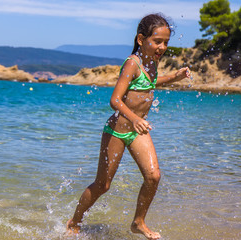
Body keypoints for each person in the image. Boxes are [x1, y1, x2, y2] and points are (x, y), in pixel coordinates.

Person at [66, 13, 191, 240]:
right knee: (103, 185)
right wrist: (134, 118)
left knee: (153, 177)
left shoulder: (153, 61)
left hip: (137, 131)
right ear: (141, 39)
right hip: (117, 131)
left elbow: (150, 82)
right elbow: (114, 100)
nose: (162, 47)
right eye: (157, 41)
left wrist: (174, 76)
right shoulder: (132, 63)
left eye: (166, 42)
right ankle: (74, 221)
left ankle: (138, 222)